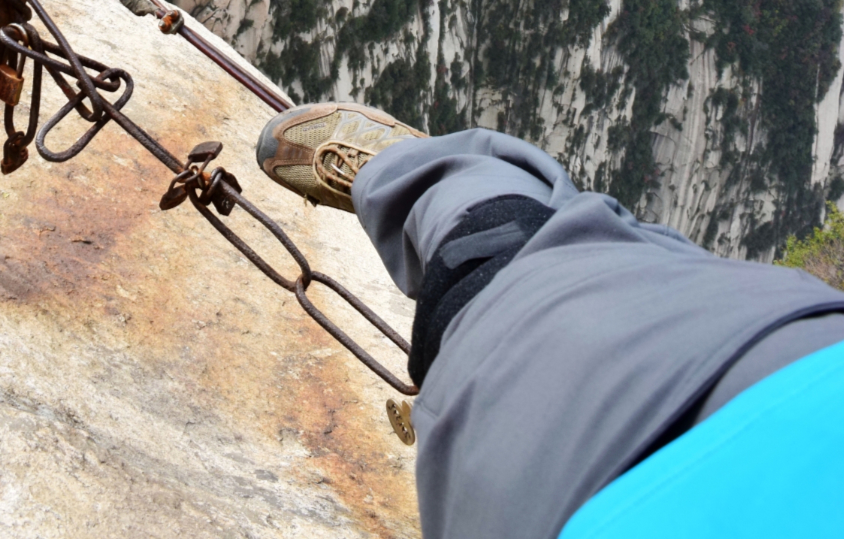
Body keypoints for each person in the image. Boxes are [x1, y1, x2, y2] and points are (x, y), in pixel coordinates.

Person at [256, 103, 844, 539]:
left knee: (497, 277)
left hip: (602, 492)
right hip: (805, 386)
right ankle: (418, 178)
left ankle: (428, 185)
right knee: (594, 258)